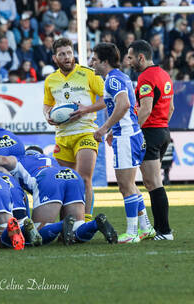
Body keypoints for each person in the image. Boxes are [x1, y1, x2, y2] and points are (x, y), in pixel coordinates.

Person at [91, 42, 154, 243]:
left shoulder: (112, 80)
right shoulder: (121, 77)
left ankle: (132, 232)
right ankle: (145, 227)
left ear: (104, 61)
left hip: (126, 137)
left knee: (125, 186)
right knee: (131, 186)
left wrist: (103, 128)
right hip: (129, 134)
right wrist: (111, 130)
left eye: (94, 59)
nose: (92, 63)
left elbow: (124, 104)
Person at [43, 37, 105, 222]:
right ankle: (68, 222)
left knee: (84, 178)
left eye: (69, 53)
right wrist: (48, 116)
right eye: (62, 54)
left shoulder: (89, 74)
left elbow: (105, 100)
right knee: (66, 182)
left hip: (86, 132)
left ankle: (85, 222)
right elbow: (47, 106)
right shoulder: (51, 80)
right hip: (62, 137)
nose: (67, 57)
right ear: (55, 58)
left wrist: (86, 109)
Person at [127, 40, 174, 240]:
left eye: (130, 57)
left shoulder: (146, 77)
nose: (128, 61)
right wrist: (161, 125)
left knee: (153, 182)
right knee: (152, 181)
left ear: (141, 57)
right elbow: (170, 108)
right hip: (163, 131)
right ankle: (159, 229)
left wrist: (132, 130)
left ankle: (164, 231)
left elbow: (145, 109)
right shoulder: (164, 75)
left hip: (151, 133)